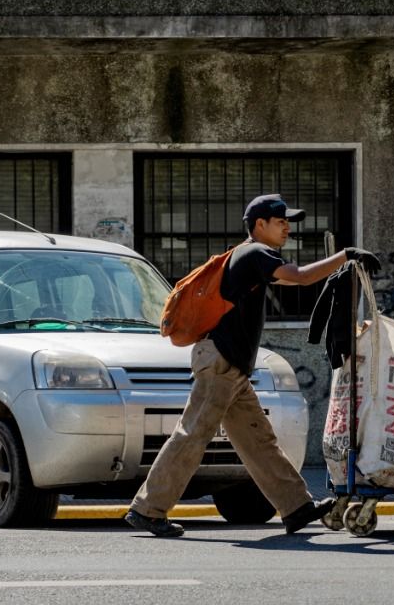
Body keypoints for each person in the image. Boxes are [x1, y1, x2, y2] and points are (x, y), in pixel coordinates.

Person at [125, 193, 381, 538]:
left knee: (259, 441)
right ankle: (147, 509)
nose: (287, 228)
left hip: (231, 367)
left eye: (288, 221)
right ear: (259, 224)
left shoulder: (253, 258)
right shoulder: (254, 253)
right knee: (192, 435)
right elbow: (301, 276)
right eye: (281, 221)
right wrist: (346, 255)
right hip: (220, 363)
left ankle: (296, 508)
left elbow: (292, 278)